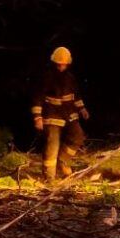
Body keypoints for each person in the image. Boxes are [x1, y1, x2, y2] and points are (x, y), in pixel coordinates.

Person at [31, 46, 89, 181]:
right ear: (54, 63)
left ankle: (63, 160)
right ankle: (49, 177)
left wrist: (82, 109)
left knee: (78, 136)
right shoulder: (46, 78)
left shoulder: (70, 78)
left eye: (64, 64)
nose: (61, 67)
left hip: (69, 113)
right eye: (59, 64)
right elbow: (37, 97)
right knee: (52, 144)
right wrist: (37, 117)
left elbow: (76, 95)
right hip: (52, 115)